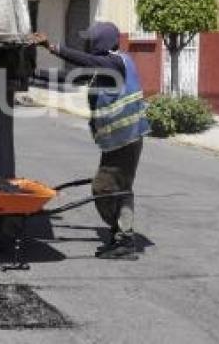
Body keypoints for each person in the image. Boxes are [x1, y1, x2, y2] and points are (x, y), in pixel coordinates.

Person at [30, 22, 150, 260]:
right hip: (119, 140)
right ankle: (122, 238)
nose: (87, 44)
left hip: (125, 139)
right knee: (119, 189)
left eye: (90, 40)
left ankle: (124, 238)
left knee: (103, 188)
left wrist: (52, 47)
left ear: (101, 42)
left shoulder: (114, 63)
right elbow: (70, 77)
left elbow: (88, 62)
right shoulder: (107, 67)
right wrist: (33, 74)